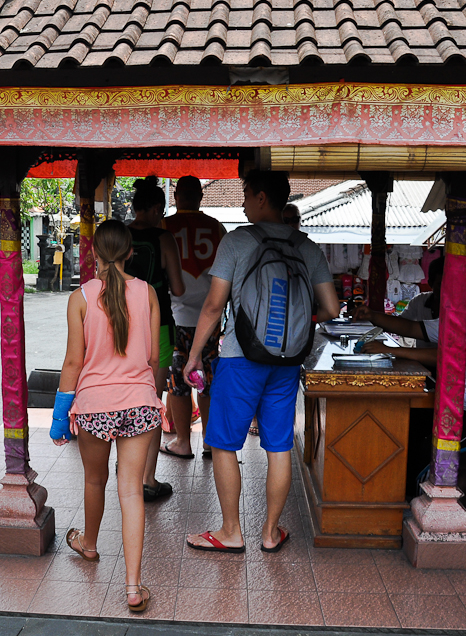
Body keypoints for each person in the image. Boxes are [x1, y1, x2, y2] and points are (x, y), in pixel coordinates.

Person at [183, 170, 340, 553]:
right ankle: (270, 532)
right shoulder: (307, 246)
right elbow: (332, 308)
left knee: (223, 443)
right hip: (288, 361)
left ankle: (231, 531)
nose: (242, 203)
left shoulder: (237, 241)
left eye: (247, 195)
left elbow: (214, 304)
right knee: (278, 445)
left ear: (263, 198)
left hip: (241, 357)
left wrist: (193, 356)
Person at [50, 219, 162, 613]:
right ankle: (133, 587)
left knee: (94, 480)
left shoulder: (80, 297)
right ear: (131, 252)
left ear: (93, 253)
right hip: (140, 401)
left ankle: (90, 545)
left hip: (94, 404)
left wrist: (60, 414)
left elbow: (72, 362)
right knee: (130, 490)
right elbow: (151, 357)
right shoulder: (147, 293)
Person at [354, 275, 466, 454]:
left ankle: (421, 481)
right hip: (463, 411)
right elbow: (411, 328)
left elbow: (451, 357)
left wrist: (390, 350)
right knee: (408, 424)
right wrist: (373, 315)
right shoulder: (457, 326)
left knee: (434, 450)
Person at [125, 176, 185, 501]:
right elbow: (178, 288)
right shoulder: (164, 238)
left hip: (120, 329)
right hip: (156, 328)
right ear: (156, 208)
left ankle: (127, 472)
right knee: (152, 400)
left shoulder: (118, 235)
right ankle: (147, 478)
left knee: (127, 397)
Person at [160, 175, 226, 459]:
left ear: (175, 197)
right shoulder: (217, 228)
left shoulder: (163, 227)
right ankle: (210, 441)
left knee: (178, 383)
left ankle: (183, 441)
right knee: (207, 380)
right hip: (210, 318)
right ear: (200, 197)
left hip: (175, 316)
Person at [397, 256, 443, 349]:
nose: (446, 289)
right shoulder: (420, 301)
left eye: (450, 284)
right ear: (430, 283)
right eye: (440, 284)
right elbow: (402, 323)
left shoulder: (462, 309)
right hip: (421, 361)